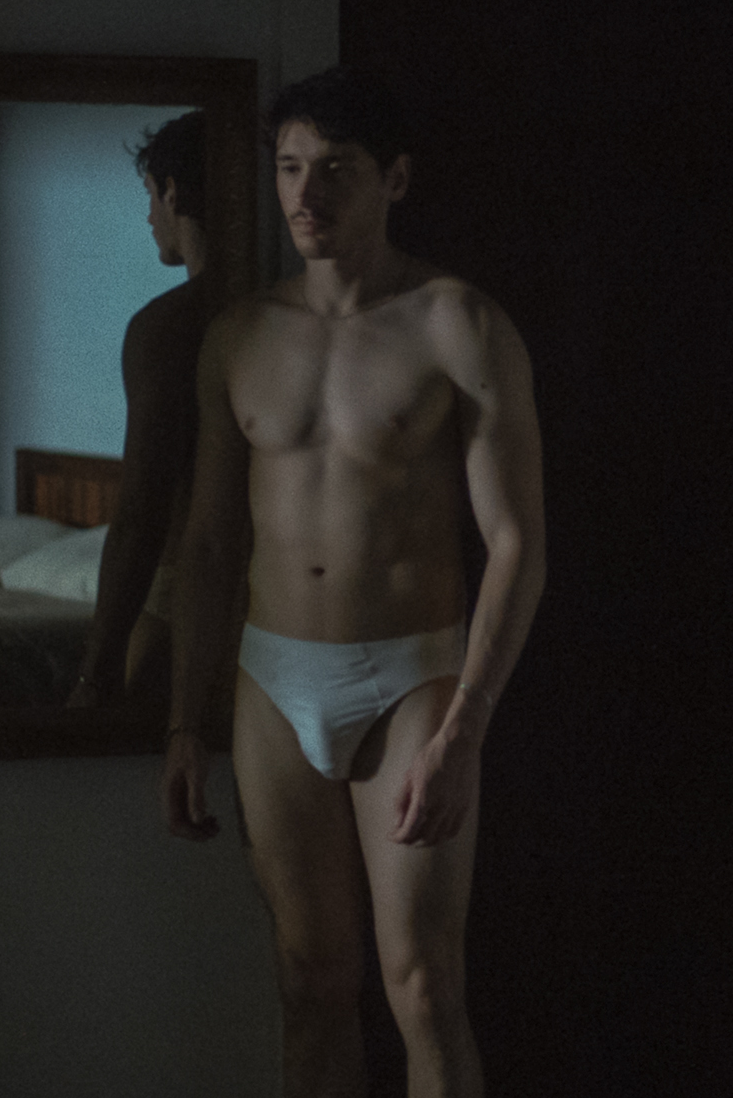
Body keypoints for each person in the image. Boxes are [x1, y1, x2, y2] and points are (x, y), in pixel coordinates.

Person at [163, 66, 546, 1098]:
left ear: (396, 179)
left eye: (335, 168)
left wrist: (465, 728)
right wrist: (184, 721)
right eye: (290, 167)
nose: (306, 192)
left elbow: (515, 540)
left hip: (412, 679)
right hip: (271, 678)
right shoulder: (238, 335)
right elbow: (209, 543)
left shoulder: (456, 323)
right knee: (309, 981)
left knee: (424, 987)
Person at [67, 110, 218, 710]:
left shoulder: (169, 328)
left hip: (178, 600)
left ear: (172, 192)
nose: (149, 216)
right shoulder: (272, 308)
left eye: (150, 195)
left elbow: (138, 517)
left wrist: (95, 669)